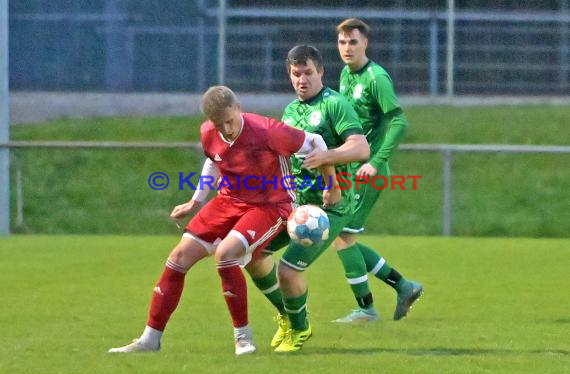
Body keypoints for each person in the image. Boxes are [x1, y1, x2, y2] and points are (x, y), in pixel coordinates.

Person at [108, 85, 332, 355]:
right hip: (228, 201)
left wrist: (330, 183)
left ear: (239, 108)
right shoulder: (208, 133)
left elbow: (316, 142)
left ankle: (243, 338)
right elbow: (214, 161)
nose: (226, 129)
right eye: (219, 124)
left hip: (270, 206)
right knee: (178, 258)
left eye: (230, 120)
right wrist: (195, 201)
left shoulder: (268, 130)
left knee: (226, 255)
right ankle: (150, 339)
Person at [267, 45, 372, 353]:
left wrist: (328, 156)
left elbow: (361, 148)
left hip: (331, 206)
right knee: (254, 253)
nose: (302, 80)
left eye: (308, 73)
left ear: (321, 72)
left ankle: (299, 330)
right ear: (289, 75)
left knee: (288, 271)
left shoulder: (334, 105)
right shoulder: (289, 111)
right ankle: (288, 315)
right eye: (296, 74)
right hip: (296, 205)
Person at [333, 18, 423, 323]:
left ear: (365, 44)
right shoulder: (346, 74)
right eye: (343, 42)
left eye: (353, 42)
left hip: (368, 174)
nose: (347, 48)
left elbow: (399, 122)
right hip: (351, 170)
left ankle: (367, 309)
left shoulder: (376, 78)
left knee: (342, 237)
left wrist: (375, 161)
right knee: (343, 237)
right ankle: (404, 286)